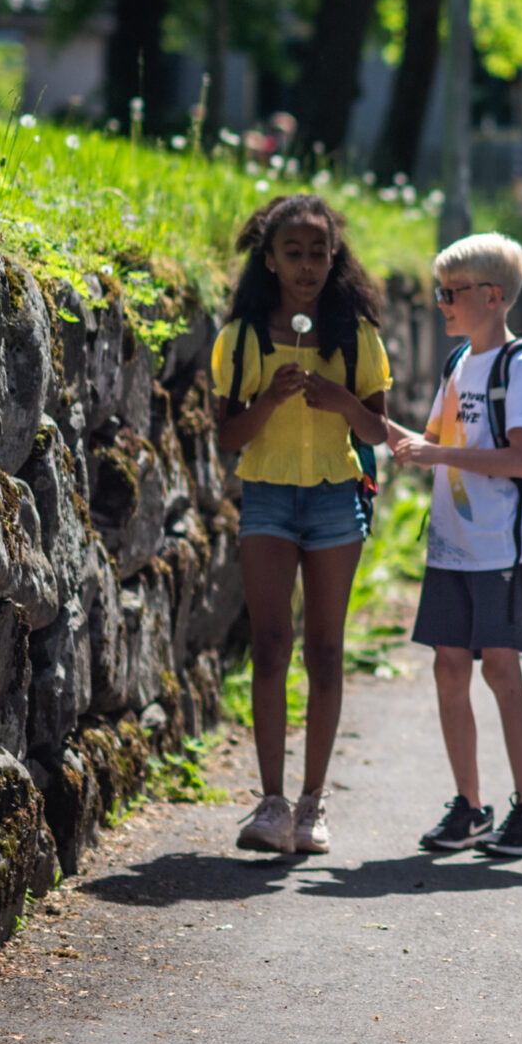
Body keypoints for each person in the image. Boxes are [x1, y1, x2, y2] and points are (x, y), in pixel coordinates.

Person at [213, 194, 392, 856]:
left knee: (324, 650)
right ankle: (269, 803)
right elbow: (228, 436)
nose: (308, 265)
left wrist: (341, 400)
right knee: (270, 644)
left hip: (333, 502)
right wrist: (270, 400)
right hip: (266, 500)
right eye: (294, 252)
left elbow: (378, 429)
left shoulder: (356, 336)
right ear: (270, 259)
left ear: (334, 256)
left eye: (319, 252)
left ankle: (313, 805)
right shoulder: (243, 338)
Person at [383, 233, 522, 861]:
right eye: (439, 292)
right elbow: (426, 440)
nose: (441, 304)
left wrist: (436, 452)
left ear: (492, 296)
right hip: (450, 550)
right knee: (450, 668)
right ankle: (471, 807)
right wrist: (353, 409)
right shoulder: (460, 365)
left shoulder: (521, 368)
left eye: (451, 293)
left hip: (497, 553)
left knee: (502, 672)